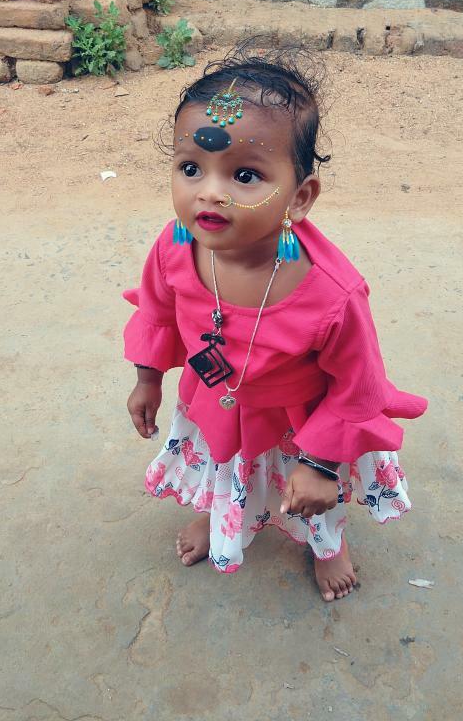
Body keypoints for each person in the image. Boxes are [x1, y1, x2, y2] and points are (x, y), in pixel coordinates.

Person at [123, 47, 427, 602]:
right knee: (223, 465)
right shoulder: (176, 244)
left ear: (300, 197)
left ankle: (328, 546)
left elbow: (357, 385)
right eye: (190, 168)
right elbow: (158, 310)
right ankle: (223, 517)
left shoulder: (331, 294)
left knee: (307, 496)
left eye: (245, 175)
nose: (208, 191)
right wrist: (148, 378)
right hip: (216, 400)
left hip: (299, 426)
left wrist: (320, 463)